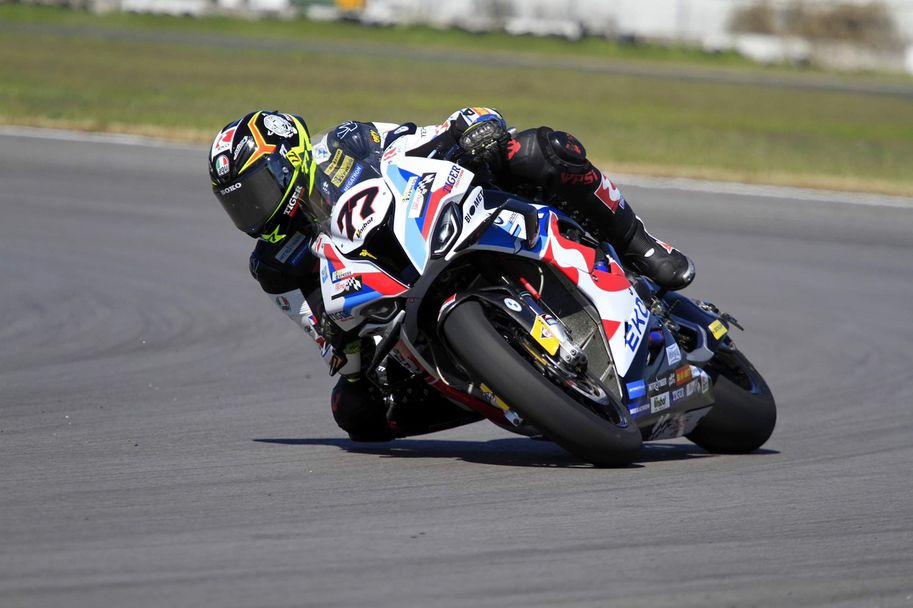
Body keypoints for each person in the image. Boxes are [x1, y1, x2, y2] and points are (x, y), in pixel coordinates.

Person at [208, 108, 694, 441]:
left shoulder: (346, 142)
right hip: (390, 310)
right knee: (356, 414)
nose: (251, 212)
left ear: (289, 162)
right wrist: (344, 349)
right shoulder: (274, 265)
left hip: (443, 219)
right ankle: (507, 386)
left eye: (255, 191)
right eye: (237, 204)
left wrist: (469, 128)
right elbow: (321, 334)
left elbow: (415, 140)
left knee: (537, 149)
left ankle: (642, 244)